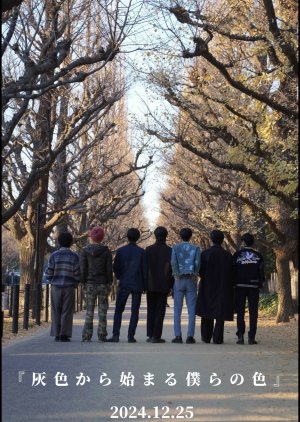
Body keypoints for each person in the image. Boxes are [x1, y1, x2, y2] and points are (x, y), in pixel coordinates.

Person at [108, 228, 147, 343]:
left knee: (119, 310)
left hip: (124, 282)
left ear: (127, 237)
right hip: (137, 283)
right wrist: (144, 286)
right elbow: (145, 270)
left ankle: (115, 335)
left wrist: (120, 277)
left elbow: (115, 267)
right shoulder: (142, 252)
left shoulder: (121, 251)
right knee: (135, 311)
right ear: (138, 237)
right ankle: (131, 336)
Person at [196, 230, 234, 344]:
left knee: (206, 309)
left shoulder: (205, 254)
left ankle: (206, 336)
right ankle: (218, 338)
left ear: (211, 239)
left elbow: (200, 271)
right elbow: (232, 271)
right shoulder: (228, 255)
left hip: (207, 284)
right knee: (220, 310)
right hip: (223, 285)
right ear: (222, 240)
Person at [46, 231, 80, 342]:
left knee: (56, 310)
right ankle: (64, 335)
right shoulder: (74, 256)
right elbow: (77, 272)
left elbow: (49, 272)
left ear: (59, 242)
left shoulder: (54, 255)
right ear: (70, 242)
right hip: (69, 286)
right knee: (67, 310)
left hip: (56, 286)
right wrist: (76, 282)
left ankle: (56, 333)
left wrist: (50, 279)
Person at [81, 226, 113, 342]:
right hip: (103, 283)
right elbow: (109, 269)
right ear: (102, 237)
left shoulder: (85, 251)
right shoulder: (106, 251)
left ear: (91, 237)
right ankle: (102, 334)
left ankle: (87, 335)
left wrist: (83, 282)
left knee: (89, 310)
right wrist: (110, 282)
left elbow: (83, 268)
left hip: (89, 283)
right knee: (102, 311)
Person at [233, 233, 265, 345]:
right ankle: (251, 337)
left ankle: (240, 336)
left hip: (239, 286)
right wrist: (260, 283)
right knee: (253, 312)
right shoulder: (259, 256)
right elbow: (261, 272)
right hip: (253, 286)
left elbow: (233, 271)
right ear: (253, 242)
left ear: (243, 242)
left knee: (240, 312)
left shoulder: (237, 255)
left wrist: (234, 283)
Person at [171, 228, 201, 344]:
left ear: (180, 236)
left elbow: (173, 262)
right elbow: (197, 263)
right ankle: (190, 336)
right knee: (191, 309)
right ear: (191, 236)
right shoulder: (196, 248)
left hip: (178, 280)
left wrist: (176, 273)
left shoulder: (175, 248)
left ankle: (178, 336)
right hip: (191, 280)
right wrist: (195, 273)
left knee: (177, 309)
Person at [145, 226, 174, 343]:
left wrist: (144, 283)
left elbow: (144, 267)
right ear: (166, 236)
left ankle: (150, 334)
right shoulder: (170, 251)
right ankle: (156, 336)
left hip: (150, 284)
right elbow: (172, 269)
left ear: (155, 235)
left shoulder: (148, 249)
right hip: (164, 284)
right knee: (160, 310)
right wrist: (171, 285)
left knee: (150, 309)